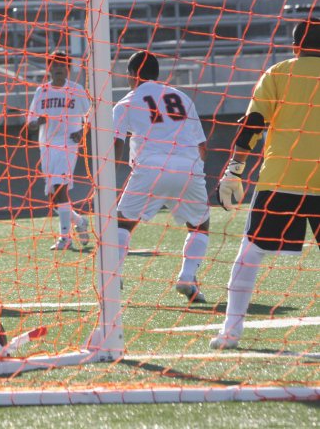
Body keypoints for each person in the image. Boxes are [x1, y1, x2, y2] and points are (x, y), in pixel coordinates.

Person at [211, 17, 319, 349]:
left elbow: (254, 123)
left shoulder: (278, 72)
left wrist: (234, 169)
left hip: (282, 178)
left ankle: (231, 332)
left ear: (295, 45)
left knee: (250, 253)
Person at [113, 51, 211, 303]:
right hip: (189, 167)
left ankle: (114, 275)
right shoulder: (182, 97)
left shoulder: (125, 103)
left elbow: (116, 145)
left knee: (122, 223)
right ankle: (188, 277)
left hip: (151, 169)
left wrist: (105, 180)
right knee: (200, 225)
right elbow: (202, 145)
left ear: (133, 75)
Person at [25, 50, 92, 250]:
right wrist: (38, 121)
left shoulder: (76, 90)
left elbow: (90, 116)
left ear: (68, 69)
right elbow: (30, 122)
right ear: (49, 69)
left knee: (61, 190)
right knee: (53, 197)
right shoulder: (41, 91)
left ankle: (65, 238)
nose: (59, 69)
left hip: (67, 145)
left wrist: (82, 132)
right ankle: (80, 222)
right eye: (55, 65)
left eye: (63, 65)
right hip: (46, 146)